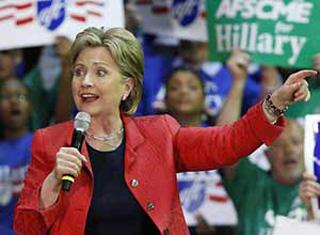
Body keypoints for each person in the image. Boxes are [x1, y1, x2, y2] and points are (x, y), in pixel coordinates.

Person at [14, 27, 316, 235]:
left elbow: (228, 142)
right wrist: (50, 186)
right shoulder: (50, 142)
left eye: (100, 72)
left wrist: (274, 104)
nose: (85, 81)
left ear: (127, 86)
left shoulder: (160, 134)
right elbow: (25, 228)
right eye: (79, 71)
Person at [222, 119, 308, 235]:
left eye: (296, 142)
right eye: (279, 144)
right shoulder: (251, 183)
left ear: (309, 148)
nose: (289, 150)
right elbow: (225, 143)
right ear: (267, 155)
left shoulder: (315, 193)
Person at [0, 79, 33, 234]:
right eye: (7, 97)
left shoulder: (42, 143)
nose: (14, 101)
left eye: (20, 96)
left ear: (30, 105)